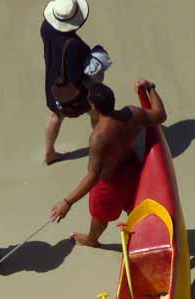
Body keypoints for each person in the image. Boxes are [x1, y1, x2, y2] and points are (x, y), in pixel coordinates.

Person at [50, 79, 167, 247]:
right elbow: (160, 115)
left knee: (100, 217)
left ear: (94, 107)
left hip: (109, 183)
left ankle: (92, 239)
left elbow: (93, 176)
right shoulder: (132, 113)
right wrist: (151, 88)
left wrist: (67, 202)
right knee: (133, 207)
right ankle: (143, 236)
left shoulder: (99, 137)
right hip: (132, 170)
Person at [41, 0, 90, 165]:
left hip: (51, 81)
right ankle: (104, 143)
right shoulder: (75, 45)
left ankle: (49, 153)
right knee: (97, 111)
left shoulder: (45, 27)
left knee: (55, 115)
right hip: (71, 89)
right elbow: (76, 76)